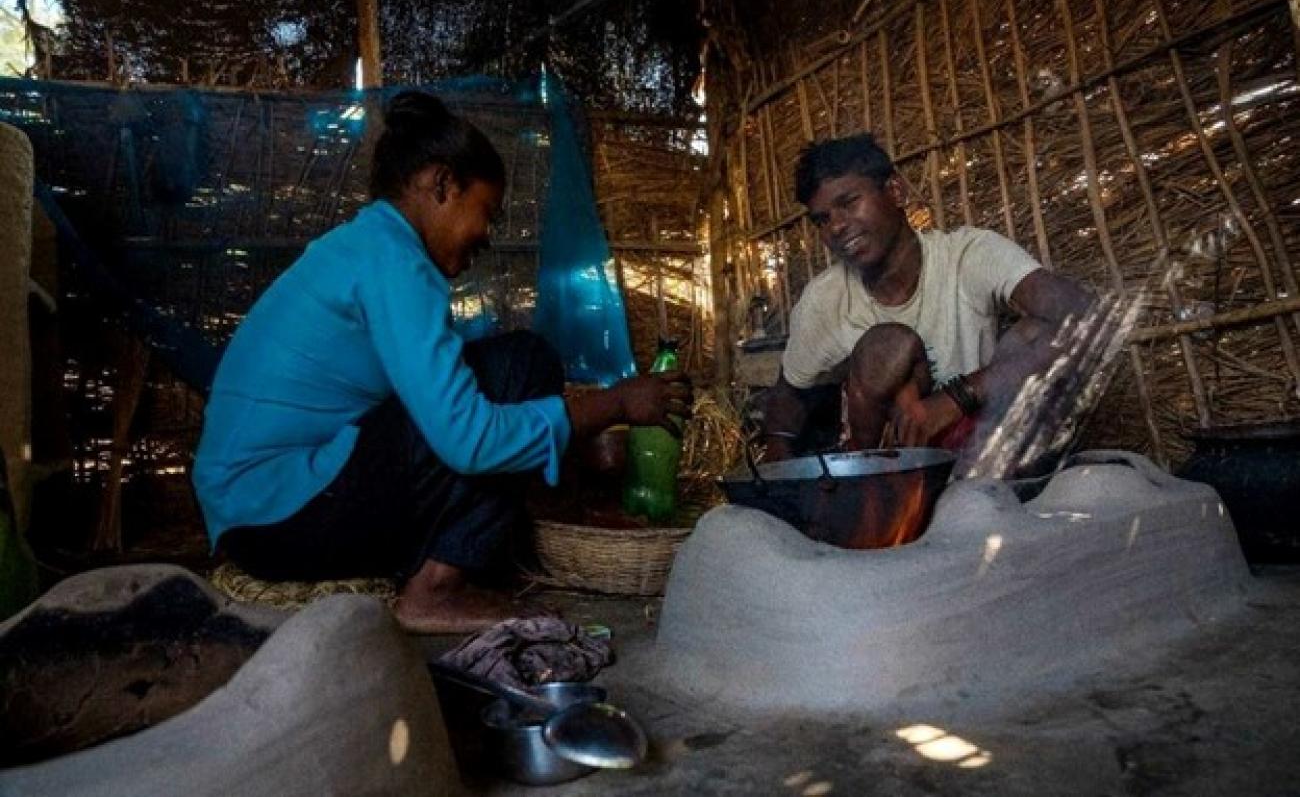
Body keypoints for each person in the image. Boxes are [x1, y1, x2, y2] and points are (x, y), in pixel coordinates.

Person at [193, 91, 691, 633]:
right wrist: (614, 403)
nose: (487, 235)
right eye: (487, 212)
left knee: (500, 372)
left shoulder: (368, 246)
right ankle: (436, 590)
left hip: (257, 516)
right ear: (442, 185)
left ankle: (434, 575)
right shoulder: (394, 262)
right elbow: (466, 440)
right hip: (282, 519)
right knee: (522, 366)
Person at [762, 133, 1093, 473]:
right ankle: (870, 484)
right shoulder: (825, 299)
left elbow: (1080, 312)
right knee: (888, 345)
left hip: (976, 450)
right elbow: (788, 395)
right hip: (885, 467)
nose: (837, 226)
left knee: (1038, 330)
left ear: (895, 192)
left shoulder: (968, 255)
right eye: (822, 219)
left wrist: (957, 397)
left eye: (848, 203)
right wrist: (782, 472)